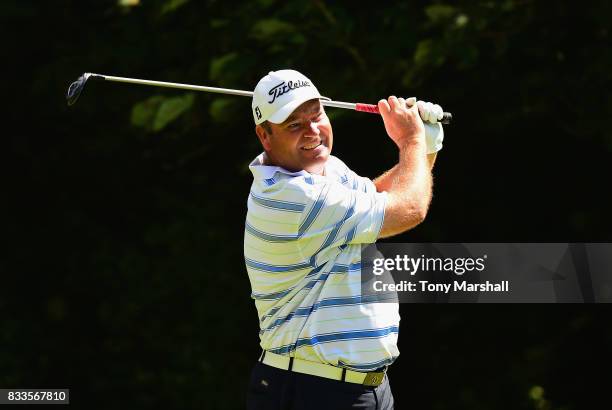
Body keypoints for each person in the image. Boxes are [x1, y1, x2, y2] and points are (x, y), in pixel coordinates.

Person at [244, 69, 444, 410]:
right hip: (311, 390)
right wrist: (411, 142)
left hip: (359, 388)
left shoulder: (326, 172)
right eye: (294, 124)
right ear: (265, 135)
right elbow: (408, 209)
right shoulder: (290, 196)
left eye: (316, 115)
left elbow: (383, 196)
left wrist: (425, 147)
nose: (311, 131)